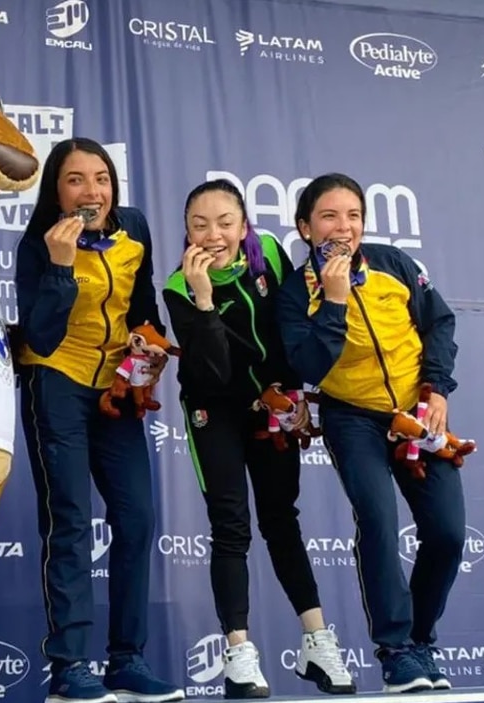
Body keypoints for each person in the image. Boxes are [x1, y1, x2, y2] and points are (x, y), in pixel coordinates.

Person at [162, 179, 356, 698]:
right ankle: (239, 654)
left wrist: (292, 397)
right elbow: (216, 371)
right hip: (214, 410)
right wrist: (205, 300)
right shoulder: (178, 286)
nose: (214, 235)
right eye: (200, 225)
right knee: (230, 526)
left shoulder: (268, 252)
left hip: (271, 405)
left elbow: (289, 329)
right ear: (187, 232)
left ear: (244, 225)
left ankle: (317, 642)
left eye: (225, 222)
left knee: (281, 518)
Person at [276, 173, 466, 694]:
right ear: (305, 227)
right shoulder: (294, 293)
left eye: (353, 216)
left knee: (448, 533)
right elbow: (309, 365)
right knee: (379, 521)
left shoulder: (393, 263)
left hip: (418, 411)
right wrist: (334, 301)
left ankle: (422, 639)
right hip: (352, 418)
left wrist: (437, 390)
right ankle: (396, 650)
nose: (344, 227)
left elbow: (439, 323)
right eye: (329, 216)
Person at [14, 137, 184, 703]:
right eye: (76, 180)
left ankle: (126, 660)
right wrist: (62, 268)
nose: (92, 191)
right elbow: (40, 336)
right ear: (56, 191)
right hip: (55, 381)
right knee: (69, 521)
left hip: (116, 388)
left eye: (102, 178)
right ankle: (70, 668)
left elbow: (143, 307)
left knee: (136, 519)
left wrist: (148, 342)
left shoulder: (133, 228)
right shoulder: (39, 244)